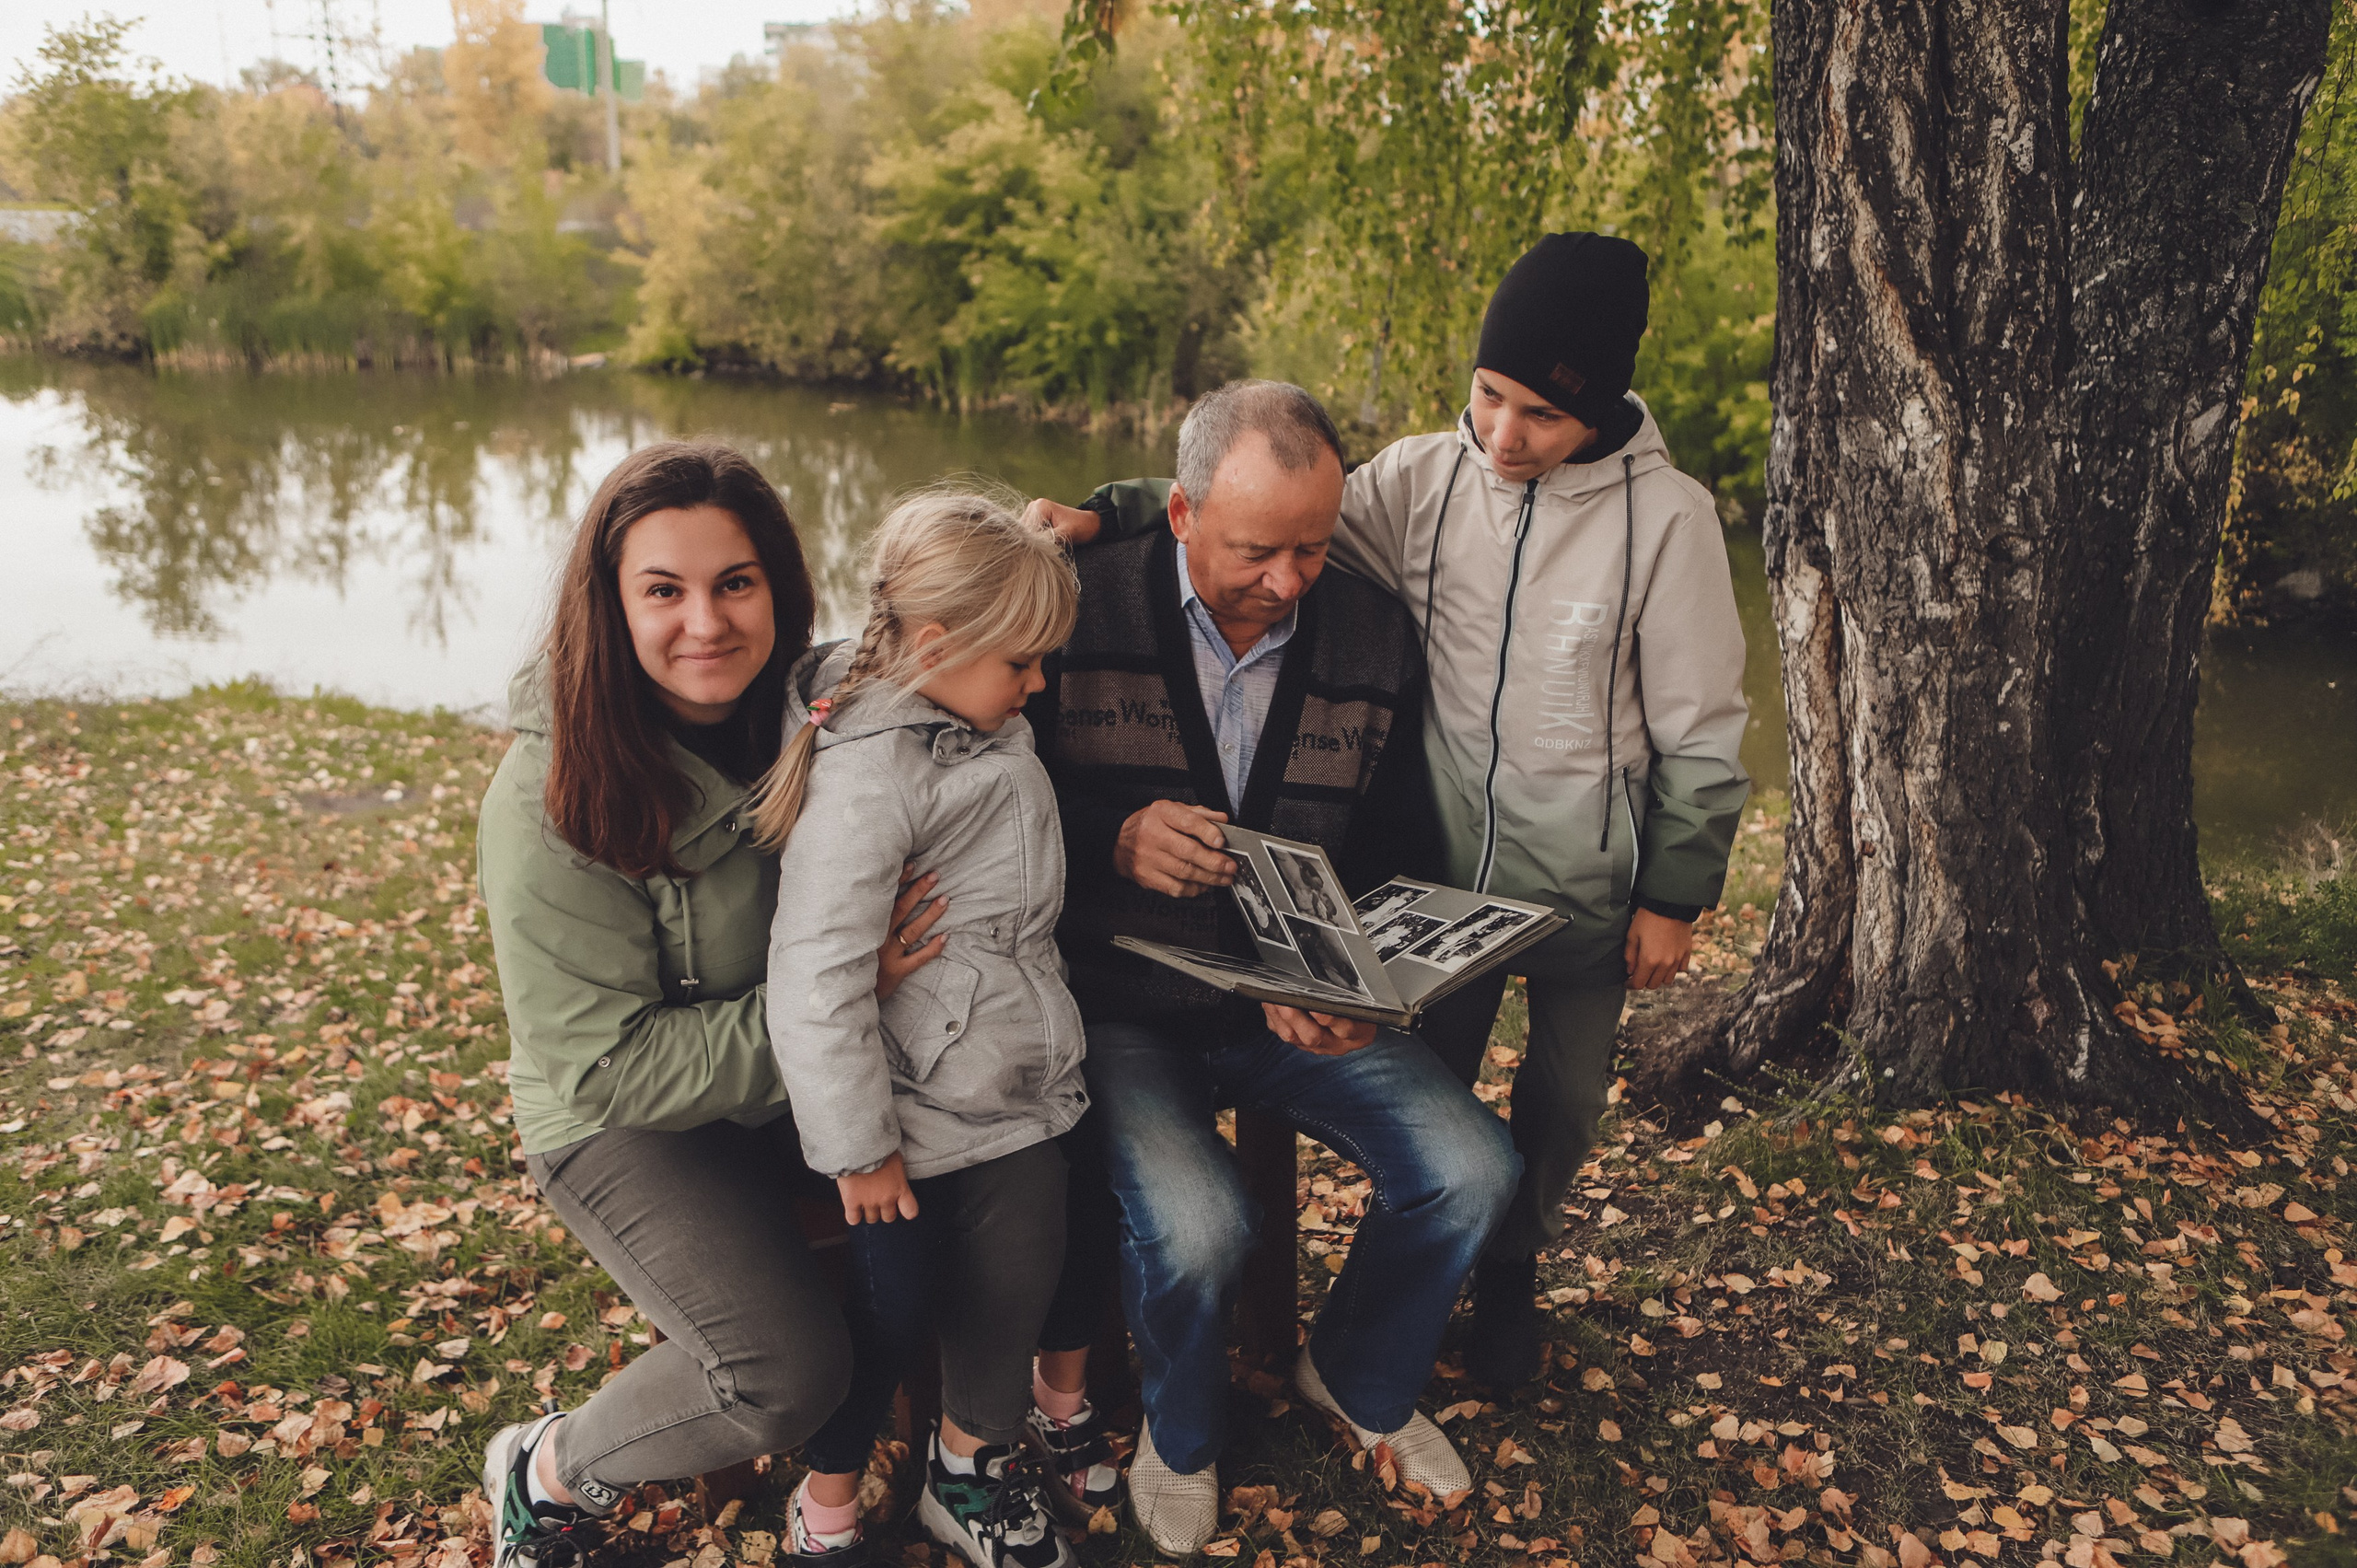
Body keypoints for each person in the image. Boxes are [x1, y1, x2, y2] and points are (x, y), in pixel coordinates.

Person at [1038, 234, 1751, 1387]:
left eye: (1540, 416)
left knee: (1558, 1107)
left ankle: (1507, 1269)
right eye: (1488, 397)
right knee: (1440, 1099)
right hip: (1441, 893)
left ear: (1606, 407)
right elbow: (1252, 507)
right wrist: (1105, 511)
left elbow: (1704, 724)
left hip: (1589, 885)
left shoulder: (1665, 520)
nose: (1504, 436)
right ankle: (1418, 1289)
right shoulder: (1423, 477)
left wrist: (1675, 888)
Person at [1025, 380, 1520, 1555]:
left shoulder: (1369, 632)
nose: (1291, 580)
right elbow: (979, 792)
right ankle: (1181, 1435)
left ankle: (1353, 1371)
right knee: (1198, 1227)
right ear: (1183, 512)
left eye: (1313, 545)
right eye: (1259, 549)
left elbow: (1394, 848)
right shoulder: (1072, 605)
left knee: (1472, 1168)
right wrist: (1111, 835)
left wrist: (1352, 984)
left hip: (1290, 1001)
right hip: (1123, 1005)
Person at [476, 443, 951, 1568]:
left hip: (800, 1074)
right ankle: (547, 1470)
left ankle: (956, 1464)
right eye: (664, 590)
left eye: (735, 581)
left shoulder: (816, 709)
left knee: (1000, 1188)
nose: (707, 621)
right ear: (612, 602)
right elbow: (604, 1065)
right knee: (782, 1372)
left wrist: (1093, 523)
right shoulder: (547, 799)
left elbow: (976, 621)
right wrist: (842, 993)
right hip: (623, 1119)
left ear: (779, 585)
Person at [757, 489, 1087, 1568]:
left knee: (1021, 1270)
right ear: (937, 643)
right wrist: (857, 1146)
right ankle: (827, 1505)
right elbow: (815, 976)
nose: (1038, 683)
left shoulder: (973, 716)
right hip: (900, 1120)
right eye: (1023, 663)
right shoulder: (872, 773)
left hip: (1008, 1089)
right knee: (891, 1312)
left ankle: (969, 1469)